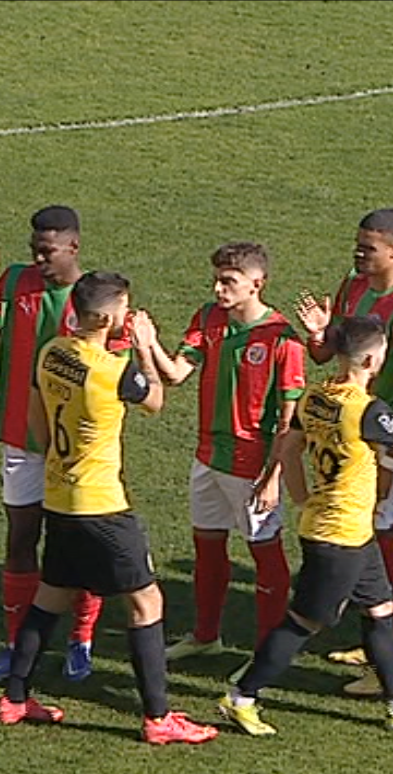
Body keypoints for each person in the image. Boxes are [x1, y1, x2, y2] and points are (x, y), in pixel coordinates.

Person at [0, 271, 218, 745]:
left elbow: (35, 414)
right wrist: (144, 347)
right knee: (147, 603)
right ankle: (159, 718)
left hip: (59, 495)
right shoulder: (114, 371)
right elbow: (155, 400)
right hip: (101, 505)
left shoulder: (52, 353)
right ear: (107, 315)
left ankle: (15, 698)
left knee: (51, 597)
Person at [218, 315, 393, 735]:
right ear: (371, 361)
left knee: (381, 610)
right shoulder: (366, 411)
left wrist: (300, 497)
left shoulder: (315, 397)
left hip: (341, 530)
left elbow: (288, 448)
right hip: (340, 539)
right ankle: (241, 696)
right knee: (303, 623)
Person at [0, 205, 119, 685]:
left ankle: (82, 639)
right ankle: (14, 646)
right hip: (20, 435)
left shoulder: (96, 299)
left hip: (78, 449)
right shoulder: (16, 281)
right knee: (20, 538)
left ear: (73, 247)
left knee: (80, 545)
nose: (38, 257)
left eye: (47, 250)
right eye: (34, 248)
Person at [296, 208, 393, 695]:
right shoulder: (352, 285)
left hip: (387, 438)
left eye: (368, 247)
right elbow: (329, 353)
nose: (357, 253)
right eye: (357, 243)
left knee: (390, 541)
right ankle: (378, 641)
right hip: (351, 435)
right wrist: (318, 333)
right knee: (368, 541)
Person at [144, 242, 302, 661]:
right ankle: (205, 635)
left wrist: (273, 477)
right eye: (217, 279)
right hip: (208, 456)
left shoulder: (282, 339)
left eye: (229, 281)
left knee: (265, 551)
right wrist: (149, 344)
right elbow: (176, 373)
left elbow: (291, 419)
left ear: (257, 284)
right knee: (207, 545)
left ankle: (269, 647)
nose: (218, 288)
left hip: (252, 464)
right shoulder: (209, 318)